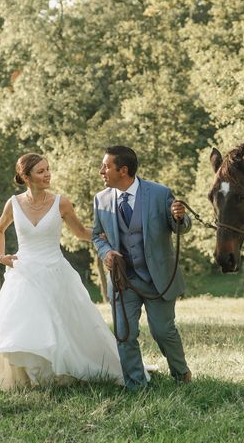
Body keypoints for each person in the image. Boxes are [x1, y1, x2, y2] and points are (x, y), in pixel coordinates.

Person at [0, 153, 123, 390]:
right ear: (26, 177)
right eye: (40, 171)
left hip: (55, 270)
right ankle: (29, 377)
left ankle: (62, 372)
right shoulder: (13, 203)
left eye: (48, 169)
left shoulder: (61, 203)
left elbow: (80, 233)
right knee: (25, 324)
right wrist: (1, 255)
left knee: (62, 324)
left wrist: (107, 235)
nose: (47, 175)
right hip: (24, 272)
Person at [92, 146, 192, 390]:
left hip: (157, 278)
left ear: (123, 170)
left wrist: (180, 217)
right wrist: (106, 253)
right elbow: (97, 236)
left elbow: (180, 226)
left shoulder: (159, 193)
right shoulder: (101, 199)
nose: (101, 171)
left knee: (163, 331)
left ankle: (181, 375)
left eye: (106, 166)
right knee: (125, 334)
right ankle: (136, 385)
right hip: (123, 279)